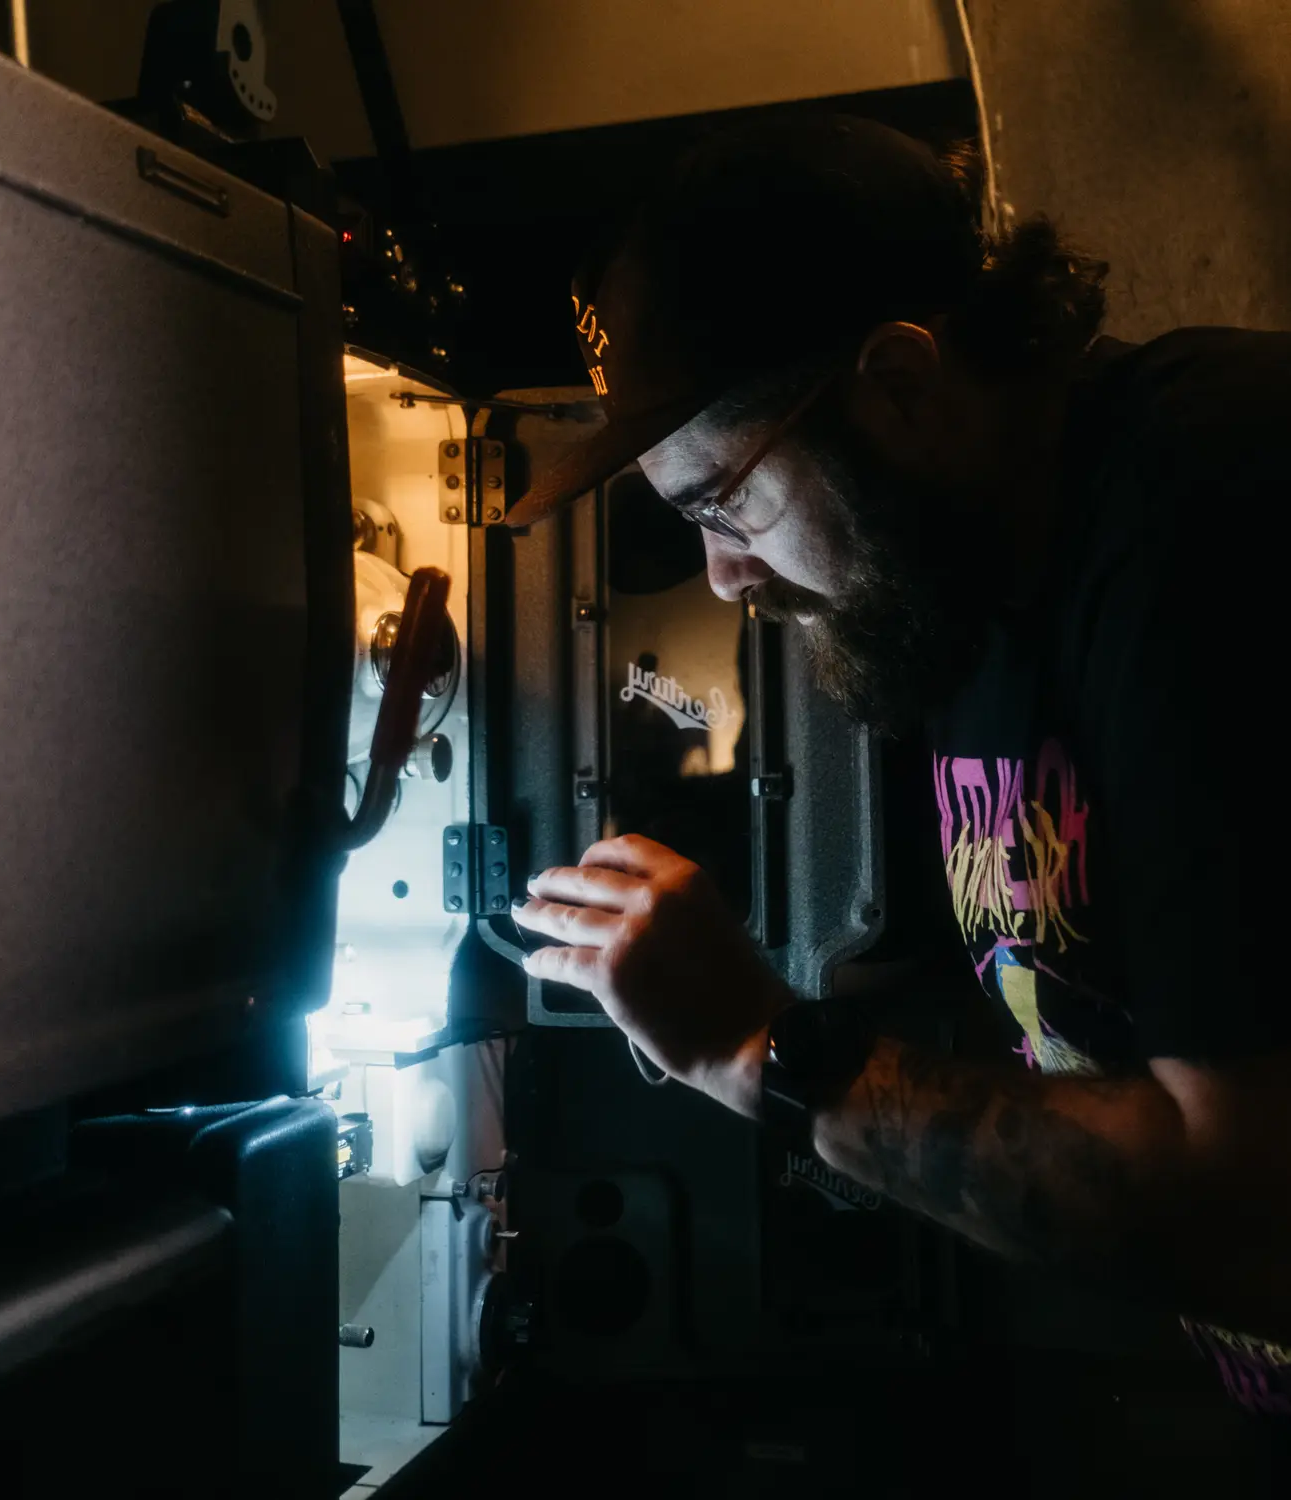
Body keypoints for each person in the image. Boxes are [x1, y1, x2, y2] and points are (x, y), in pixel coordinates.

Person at [506, 115, 1289, 1414]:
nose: (723, 576)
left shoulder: (1210, 502)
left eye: (726, 502)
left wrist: (761, 1047)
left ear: (902, 384)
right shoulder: (962, 588)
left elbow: (1255, 1211)